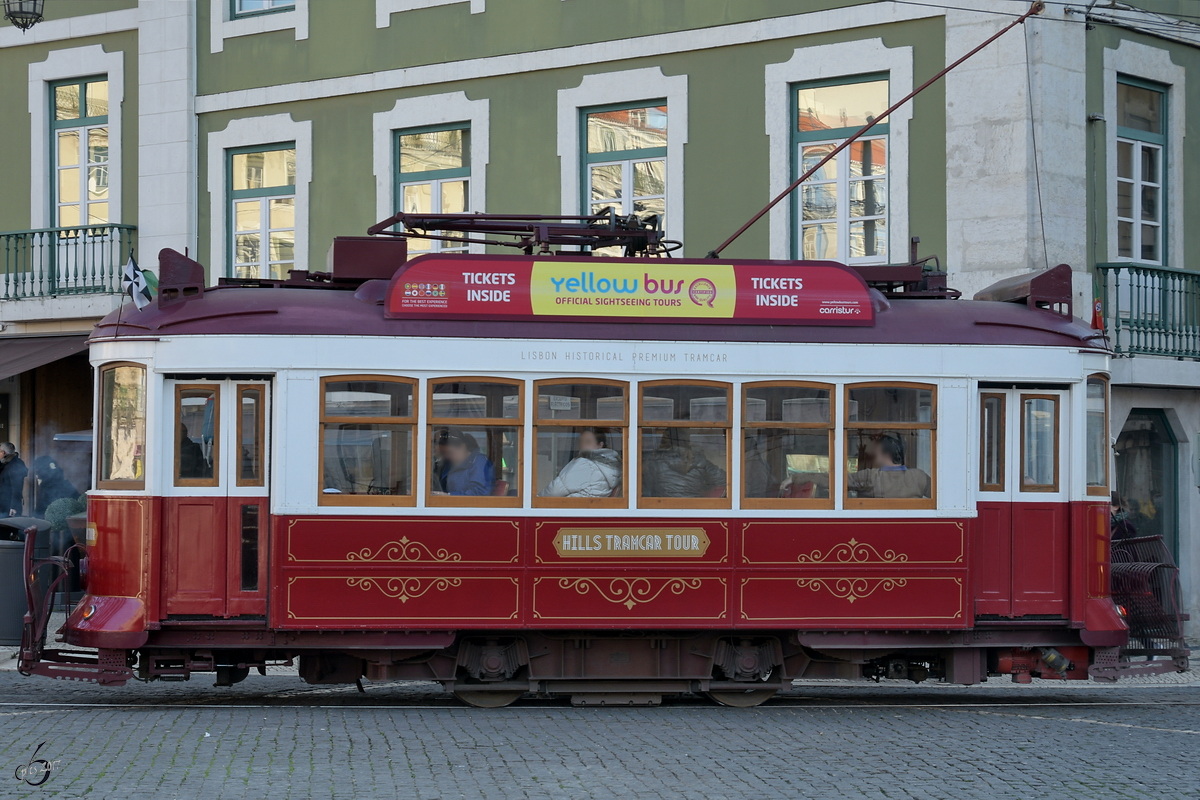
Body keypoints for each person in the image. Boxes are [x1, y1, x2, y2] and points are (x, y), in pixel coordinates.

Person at [783, 432, 930, 499]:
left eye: (876, 452)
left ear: (886, 455)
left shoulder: (871, 476)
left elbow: (834, 480)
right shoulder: (920, 476)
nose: (874, 455)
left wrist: (796, 478)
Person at [642, 431, 726, 498]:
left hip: (661, 507)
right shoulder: (698, 459)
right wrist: (704, 487)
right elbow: (724, 479)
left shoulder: (656, 460)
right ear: (687, 442)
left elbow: (646, 490)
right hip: (695, 506)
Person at [541, 428, 621, 498]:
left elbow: (555, 491)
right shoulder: (610, 465)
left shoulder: (586, 463)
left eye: (588, 442)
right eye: (581, 442)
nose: (583, 445)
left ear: (600, 445)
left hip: (573, 509)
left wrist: (534, 501)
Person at [431, 428, 495, 496]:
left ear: (463, 446)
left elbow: (480, 492)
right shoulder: (448, 464)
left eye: (450, 452)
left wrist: (450, 496)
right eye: (444, 453)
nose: (446, 457)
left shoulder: (479, 463)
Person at [0, 442, 28, 517]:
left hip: (8, 506)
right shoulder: (5, 464)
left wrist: (14, 506)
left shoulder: (15, 464)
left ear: (3, 452)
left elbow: (17, 488)